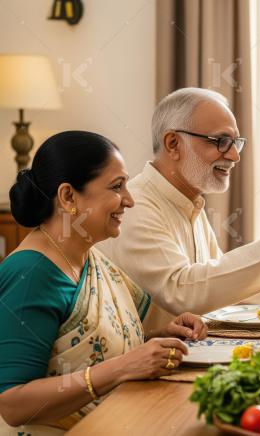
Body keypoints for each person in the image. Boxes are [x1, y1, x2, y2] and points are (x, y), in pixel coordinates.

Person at [0, 131, 207, 434]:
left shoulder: (91, 258)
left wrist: (159, 337)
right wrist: (124, 367)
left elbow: (88, 346)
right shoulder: (31, 273)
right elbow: (13, 404)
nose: (130, 200)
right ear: (68, 196)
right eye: (117, 186)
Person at [98, 88, 260, 331]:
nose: (235, 156)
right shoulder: (136, 205)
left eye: (236, 142)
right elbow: (181, 293)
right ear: (173, 144)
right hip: (151, 367)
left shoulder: (188, 201)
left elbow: (212, 282)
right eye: (222, 141)